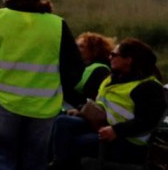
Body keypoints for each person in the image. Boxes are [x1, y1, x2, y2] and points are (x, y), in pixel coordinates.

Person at [0, 0, 83, 170]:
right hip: (44, 106)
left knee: (4, 155)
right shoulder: (57, 24)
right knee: (36, 159)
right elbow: (75, 67)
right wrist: (59, 89)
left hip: (6, 102)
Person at [51, 38, 166, 168]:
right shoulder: (114, 78)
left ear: (128, 60)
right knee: (62, 122)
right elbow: (104, 104)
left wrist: (116, 130)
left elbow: (147, 121)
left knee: (76, 142)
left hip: (128, 140)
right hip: (104, 125)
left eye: (114, 55)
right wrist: (81, 111)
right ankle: (59, 164)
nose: (109, 57)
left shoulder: (148, 87)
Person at [64, 32, 115, 108]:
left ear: (94, 50)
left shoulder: (101, 70)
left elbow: (92, 99)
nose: (75, 49)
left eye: (81, 46)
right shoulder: (75, 66)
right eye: (76, 45)